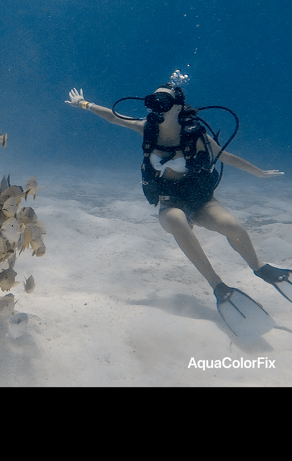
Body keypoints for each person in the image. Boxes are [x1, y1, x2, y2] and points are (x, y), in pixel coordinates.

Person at [66, 81, 292, 334]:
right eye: (153, 101)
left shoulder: (195, 135)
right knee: (176, 221)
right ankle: (218, 286)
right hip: (169, 200)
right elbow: (113, 117)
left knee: (231, 225)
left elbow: (225, 156)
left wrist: (258, 173)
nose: (156, 108)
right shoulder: (146, 128)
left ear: (178, 107)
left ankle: (261, 268)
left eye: (163, 102)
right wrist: (84, 104)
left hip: (200, 199)